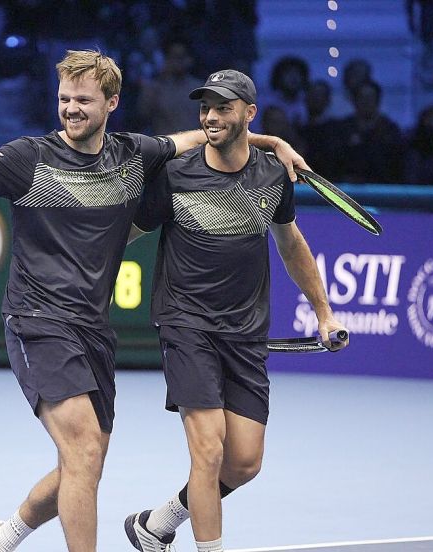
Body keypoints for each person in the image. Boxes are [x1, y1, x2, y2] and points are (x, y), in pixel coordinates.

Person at [0, 51, 305, 552]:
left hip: (92, 330)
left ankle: (2, 534)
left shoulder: (134, 154)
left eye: (83, 99)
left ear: (112, 103)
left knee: (87, 460)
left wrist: (270, 141)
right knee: (81, 450)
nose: (71, 109)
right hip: (37, 318)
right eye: (63, 99)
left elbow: (200, 137)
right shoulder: (28, 157)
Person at [123, 69, 348, 552]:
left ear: (249, 113)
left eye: (223, 107)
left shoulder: (273, 175)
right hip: (186, 323)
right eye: (205, 107)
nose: (210, 116)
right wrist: (76, 252)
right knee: (208, 450)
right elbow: (130, 233)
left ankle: (157, 524)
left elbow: (291, 245)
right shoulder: (175, 174)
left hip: (245, 331)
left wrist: (323, 312)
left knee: (243, 462)